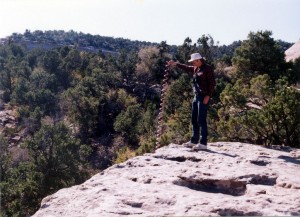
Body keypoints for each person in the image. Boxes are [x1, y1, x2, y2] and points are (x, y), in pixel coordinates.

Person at [167, 53, 216, 150]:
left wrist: (208, 96)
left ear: (198, 60)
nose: (193, 63)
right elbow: (186, 67)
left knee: (201, 120)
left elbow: (212, 83)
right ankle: (194, 140)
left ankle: (203, 143)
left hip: (203, 97)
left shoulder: (207, 68)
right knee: (194, 119)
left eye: (194, 61)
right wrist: (175, 64)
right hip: (196, 97)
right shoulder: (195, 68)